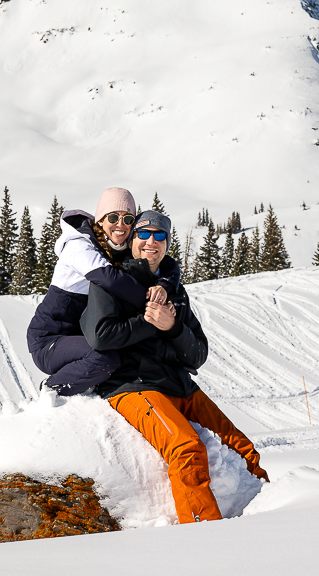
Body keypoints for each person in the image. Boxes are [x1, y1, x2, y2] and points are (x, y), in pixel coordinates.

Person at [81, 210, 269, 523]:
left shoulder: (175, 291)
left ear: (168, 243)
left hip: (180, 384)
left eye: (159, 235)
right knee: (186, 448)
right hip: (134, 386)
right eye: (143, 233)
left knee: (243, 448)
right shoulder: (112, 282)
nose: (151, 241)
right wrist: (149, 323)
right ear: (131, 240)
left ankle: (269, 516)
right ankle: (202, 532)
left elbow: (197, 354)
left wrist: (172, 327)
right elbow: (100, 337)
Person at [26, 188, 168, 396]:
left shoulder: (115, 248)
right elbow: (109, 278)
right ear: (100, 220)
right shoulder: (78, 246)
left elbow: (166, 263)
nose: (120, 225)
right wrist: (152, 301)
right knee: (106, 359)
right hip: (49, 340)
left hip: (81, 339)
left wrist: (164, 285)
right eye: (113, 217)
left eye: (128, 219)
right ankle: (50, 391)